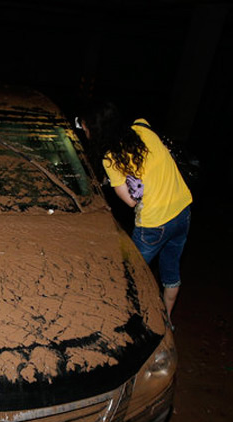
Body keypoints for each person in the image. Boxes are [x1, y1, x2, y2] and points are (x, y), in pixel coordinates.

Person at [78, 101, 192, 328]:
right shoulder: (142, 126)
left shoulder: (110, 158)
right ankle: (166, 322)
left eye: (86, 128)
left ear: (97, 130)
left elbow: (131, 201)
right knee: (170, 273)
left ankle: (117, 322)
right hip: (183, 211)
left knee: (126, 274)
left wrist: (124, 182)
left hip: (155, 223)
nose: (86, 132)